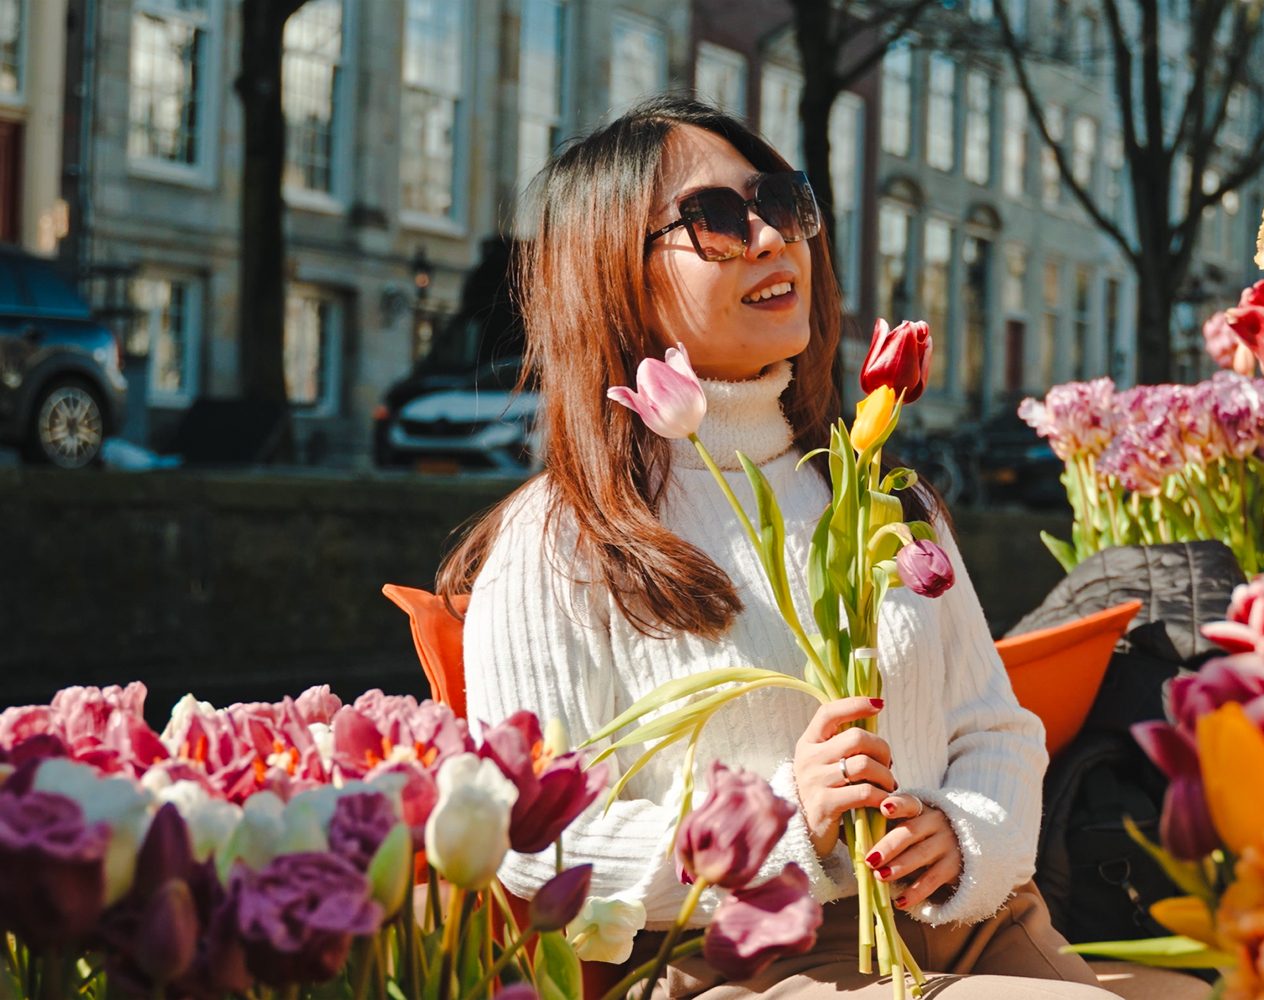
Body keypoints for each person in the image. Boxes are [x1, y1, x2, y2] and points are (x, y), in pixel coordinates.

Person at [445, 96, 1207, 1000]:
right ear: (614, 274)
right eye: (717, 221)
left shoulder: (879, 491)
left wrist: (959, 832)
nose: (771, 237)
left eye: (779, 199)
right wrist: (780, 825)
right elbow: (536, 842)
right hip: (750, 961)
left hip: (968, 923)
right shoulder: (560, 544)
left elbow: (995, 728)